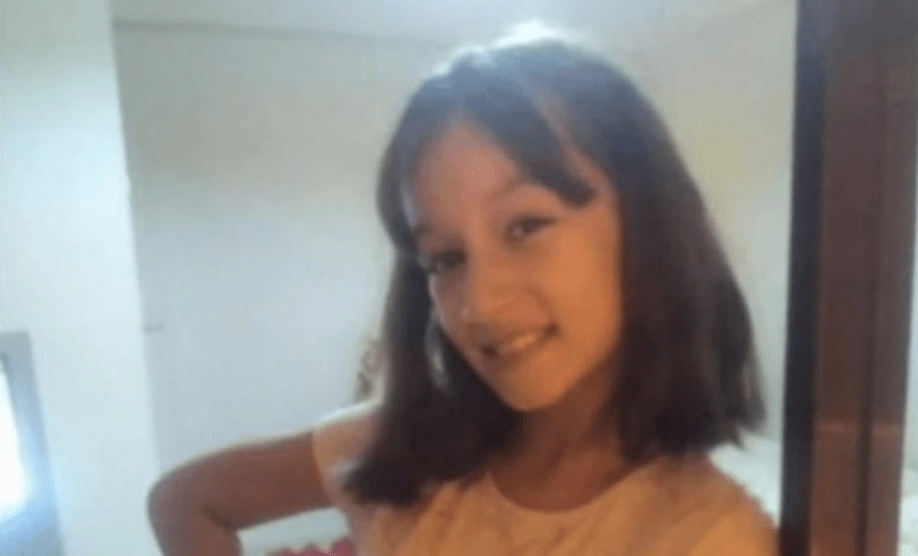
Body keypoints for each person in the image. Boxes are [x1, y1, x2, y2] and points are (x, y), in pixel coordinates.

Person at [148, 32, 777, 556]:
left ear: (646, 222)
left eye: (525, 225)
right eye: (445, 259)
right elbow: (186, 501)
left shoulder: (707, 535)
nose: (479, 303)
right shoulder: (401, 450)